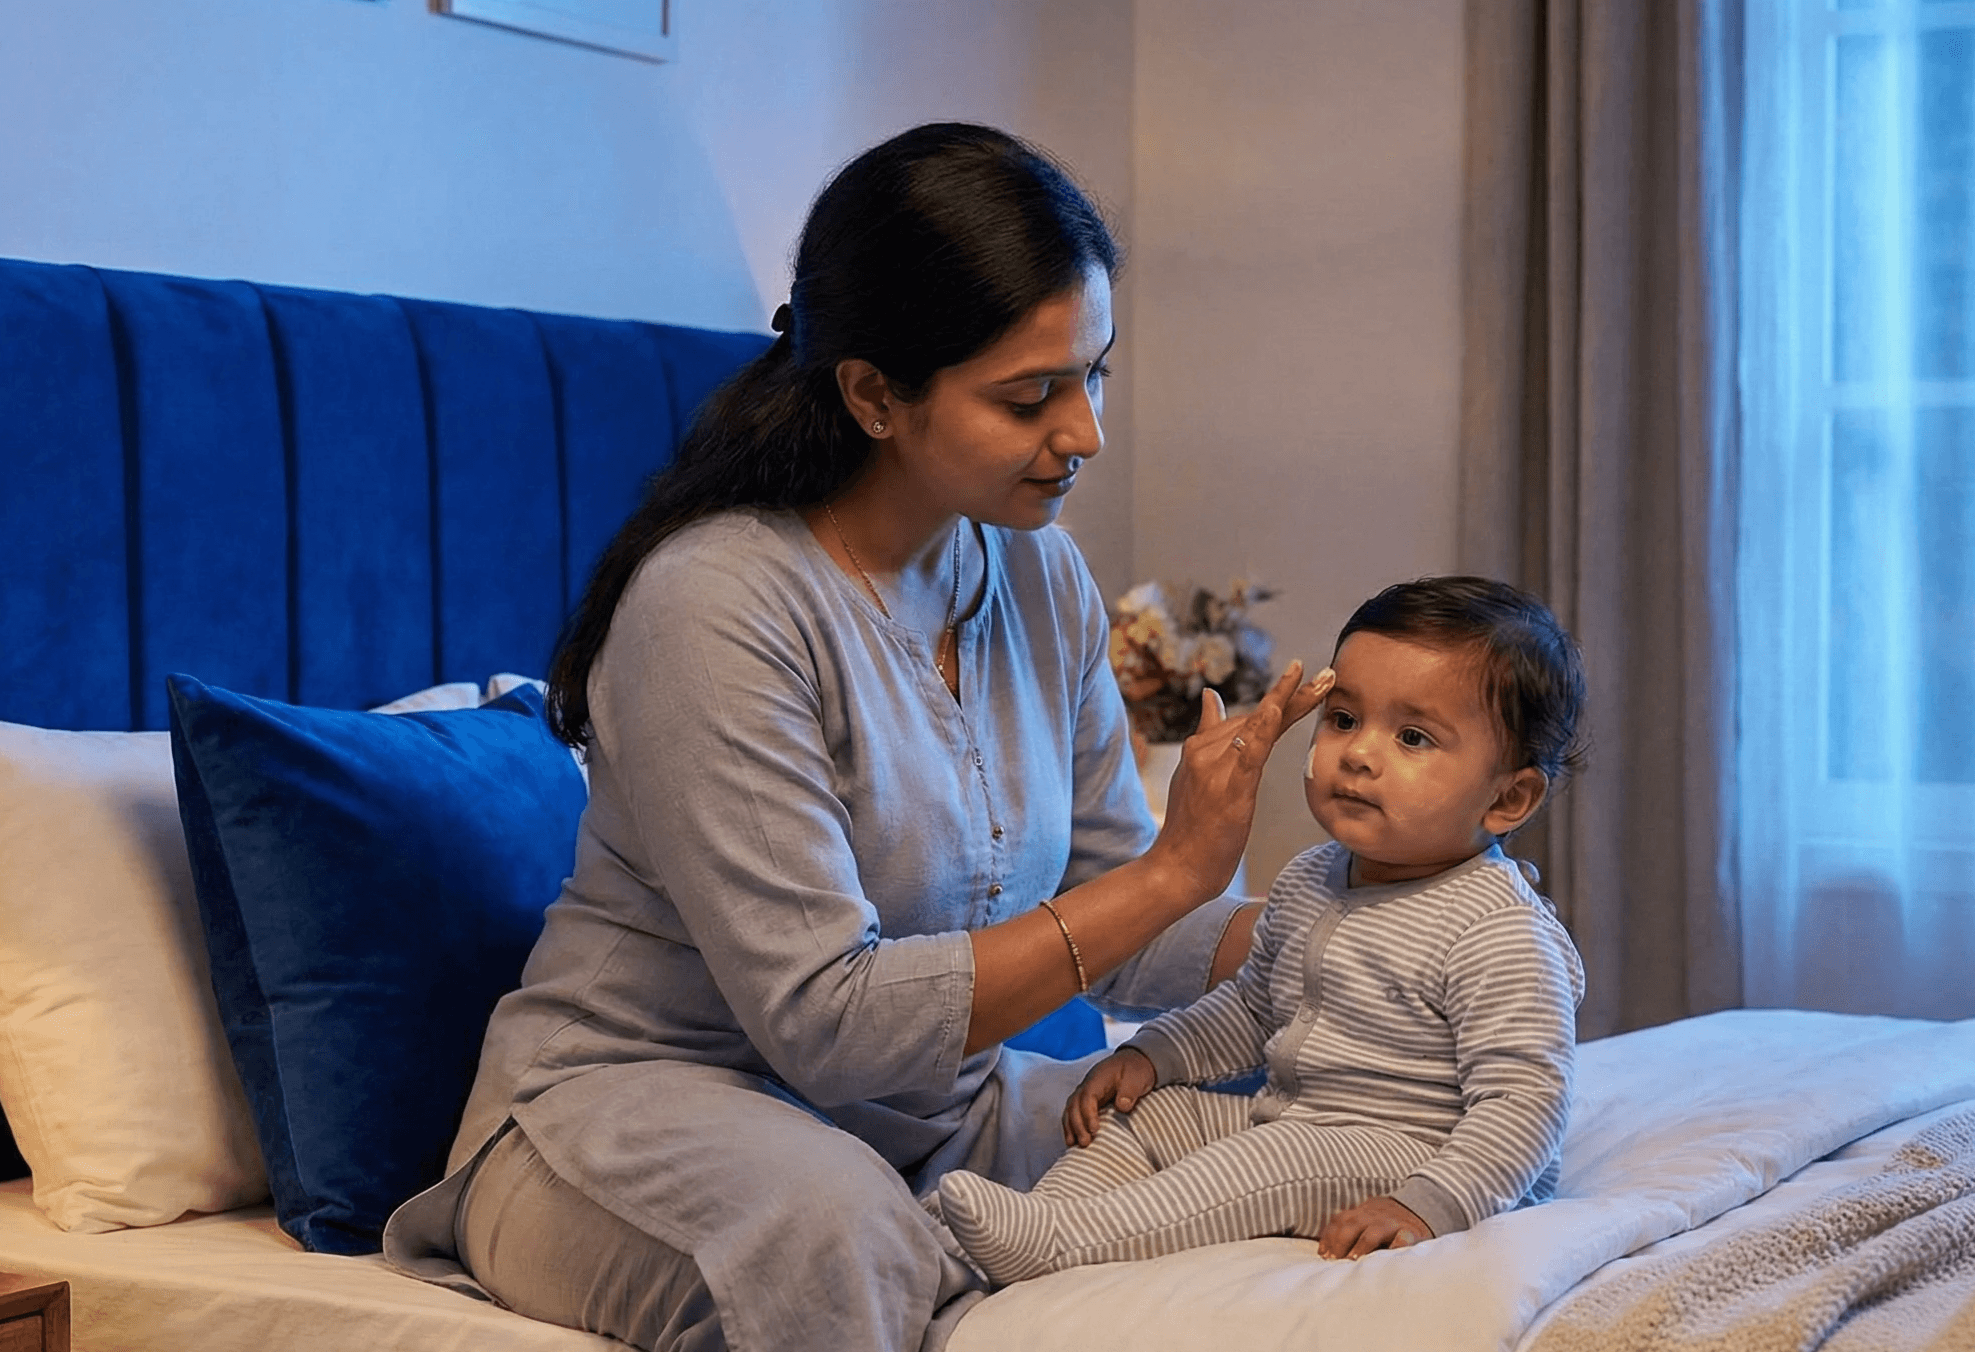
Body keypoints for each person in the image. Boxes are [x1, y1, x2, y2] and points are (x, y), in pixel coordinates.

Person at [380, 122, 1328, 1351]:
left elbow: (1121, 916)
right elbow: (826, 1022)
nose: (1085, 430)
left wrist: (1367, 928)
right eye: (1029, 394)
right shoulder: (712, 605)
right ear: (874, 392)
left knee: (1300, 1110)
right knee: (836, 1230)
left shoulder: (1039, 578)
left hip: (925, 1121)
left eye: (1094, 372)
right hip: (627, 1120)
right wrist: (1168, 874)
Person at [937, 575, 1589, 1284]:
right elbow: (1252, 1007)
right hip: (1298, 1118)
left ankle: (1069, 1242)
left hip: (1415, 1153)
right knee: (1149, 1117)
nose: (1360, 752)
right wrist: (1155, 1056)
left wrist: (1431, 1202)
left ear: (1509, 797)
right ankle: (1045, 1231)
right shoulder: (1313, 876)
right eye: (1342, 719)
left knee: (1261, 1163)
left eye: (1411, 736)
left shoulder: (1494, 929)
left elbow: (1525, 1100)